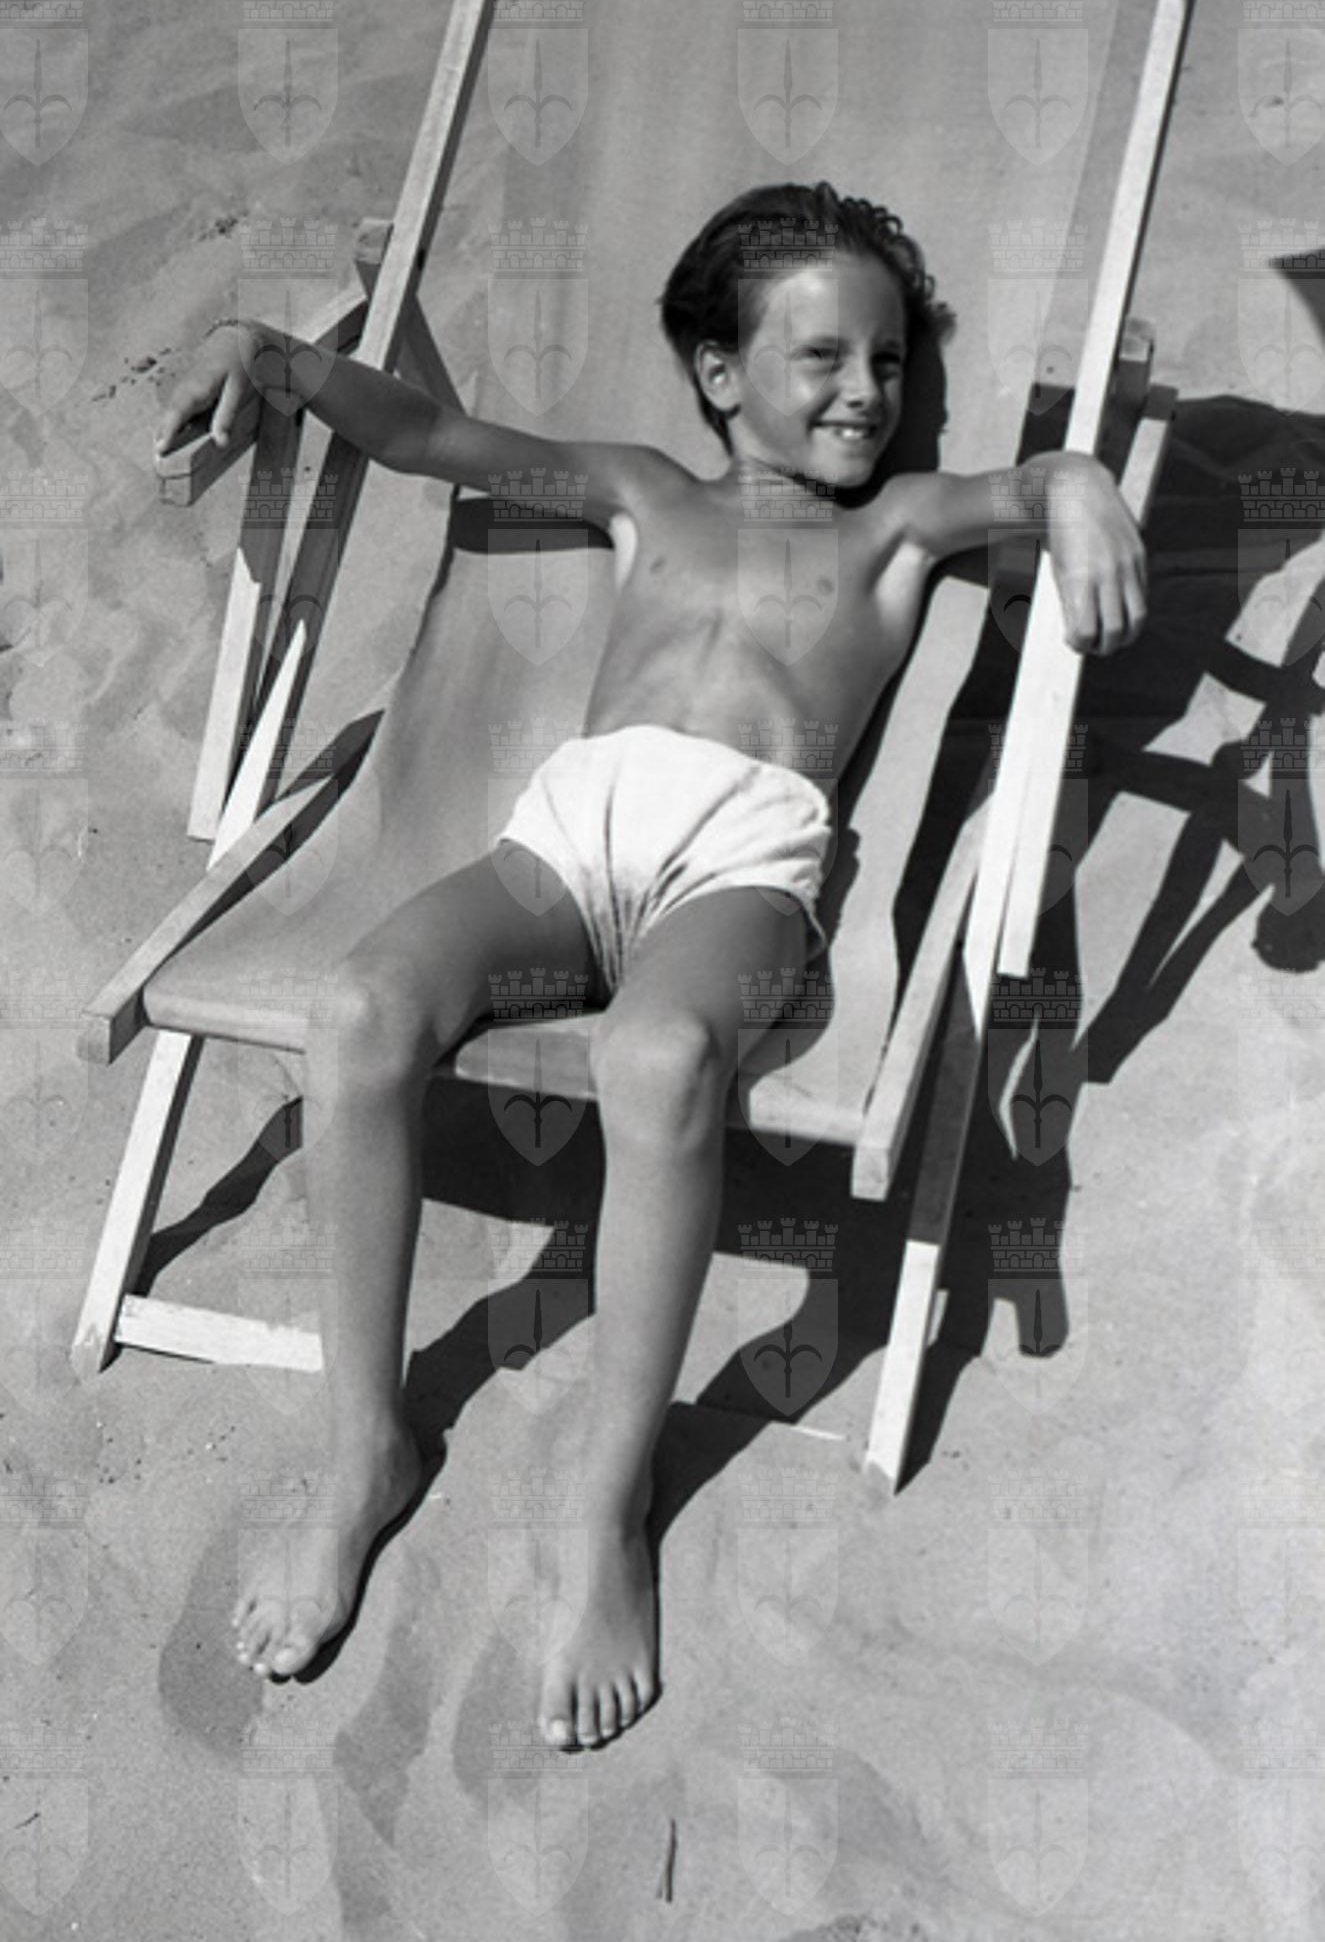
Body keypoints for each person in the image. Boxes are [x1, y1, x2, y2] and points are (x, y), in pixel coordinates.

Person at [154, 180, 1146, 1750]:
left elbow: (1019, 492)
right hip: (560, 852)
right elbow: (432, 438)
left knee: (660, 1056)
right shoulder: (641, 491)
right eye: (821, 357)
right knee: (357, 1009)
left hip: (737, 876)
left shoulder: (890, 527)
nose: (866, 392)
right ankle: (364, 1454)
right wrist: (270, 352)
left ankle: (608, 1509)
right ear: (719, 376)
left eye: (888, 361)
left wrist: (1078, 480)